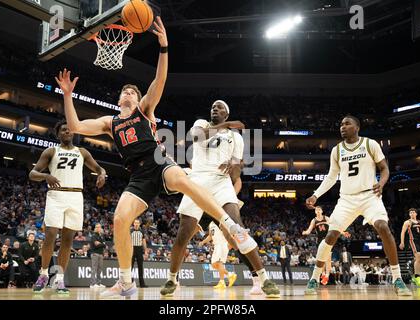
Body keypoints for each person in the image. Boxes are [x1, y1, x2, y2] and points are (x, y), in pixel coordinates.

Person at [55, 17, 253, 298]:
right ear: (119, 98)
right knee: (120, 220)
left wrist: (163, 47)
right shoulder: (109, 123)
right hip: (137, 175)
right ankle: (125, 282)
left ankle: (230, 223)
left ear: (138, 100)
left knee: (184, 180)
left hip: (158, 161)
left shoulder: (144, 110)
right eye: (125, 91)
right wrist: (67, 96)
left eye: (133, 92)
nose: (129, 92)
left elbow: (159, 80)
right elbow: (75, 127)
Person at [160, 100, 279, 298]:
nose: (215, 109)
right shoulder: (201, 124)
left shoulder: (236, 138)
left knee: (237, 228)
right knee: (183, 233)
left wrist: (235, 167)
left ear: (227, 113)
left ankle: (264, 278)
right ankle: (172, 278)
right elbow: (197, 137)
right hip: (197, 180)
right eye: (213, 107)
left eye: (220, 107)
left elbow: (236, 170)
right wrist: (226, 125)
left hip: (221, 182)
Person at [304, 115, 411, 296]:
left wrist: (382, 183)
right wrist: (315, 195)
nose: (342, 127)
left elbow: (384, 168)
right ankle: (314, 278)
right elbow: (331, 177)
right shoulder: (337, 150)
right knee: (330, 236)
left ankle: (397, 278)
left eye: (347, 124)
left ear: (357, 127)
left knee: (383, 227)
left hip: (370, 196)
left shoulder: (370, 144)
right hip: (346, 199)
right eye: (341, 124)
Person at [29, 119, 106, 294]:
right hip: (56, 195)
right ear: (58, 134)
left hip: (75, 196)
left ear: (74, 133)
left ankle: (60, 279)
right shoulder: (51, 151)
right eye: (63, 130)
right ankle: (43, 275)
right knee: (50, 235)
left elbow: (99, 168)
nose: (67, 132)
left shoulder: (82, 152)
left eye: (69, 130)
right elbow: (32, 173)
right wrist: (45, 176)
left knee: (67, 240)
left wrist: (102, 174)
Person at [302, 206, 351, 285]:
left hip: (328, 239)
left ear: (321, 211)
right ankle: (323, 274)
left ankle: (327, 275)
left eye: (319, 210)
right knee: (321, 259)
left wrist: (343, 232)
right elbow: (309, 230)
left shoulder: (326, 218)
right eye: (316, 210)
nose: (317, 211)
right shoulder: (314, 220)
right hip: (320, 240)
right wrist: (305, 232)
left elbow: (335, 225)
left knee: (328, 258)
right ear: (315, 212)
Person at [199, 221, 237, 289]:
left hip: (222, 244)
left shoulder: (220, 220)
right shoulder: (210, 223)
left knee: (219, 263)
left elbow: (230, 233)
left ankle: (222, 282)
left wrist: (230, 244)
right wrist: (203, 242)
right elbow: (211, 236)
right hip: (216, 245)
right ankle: (230, 275)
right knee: (214, 264)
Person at [399, 208, 420, 287]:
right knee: (418, 258)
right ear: (409, 214)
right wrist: (402, 242)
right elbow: (402, 232)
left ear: (416, 214)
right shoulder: (407, 222)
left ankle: (416, 276)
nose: (412, 214)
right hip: (413, 241)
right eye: (410, 213)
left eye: (413, 212)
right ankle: (417, 277)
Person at [131, 219, 148, 288]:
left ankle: (142, 284)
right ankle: (128, 282)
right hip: (132, 249)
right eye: (135, 223)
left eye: (138, 223)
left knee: (140, 267)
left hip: (139, 249)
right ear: (133, 224)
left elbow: (143, 241)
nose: (136, 224)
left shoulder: (142, 231)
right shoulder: (130, 231)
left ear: (139, 224)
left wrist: (145, 251)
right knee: (130, 267)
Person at [90, 223, 106, 289]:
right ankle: (92, 284)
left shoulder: (102, 236)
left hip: (101, 254)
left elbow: (105, 244)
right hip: (95, 253)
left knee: (99, 269)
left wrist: (101, 244)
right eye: (97, 227)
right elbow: (96, 244)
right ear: (95, 228)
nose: (98, 228)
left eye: (99, 227)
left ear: (101, 228)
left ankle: (98, 283)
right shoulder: (94, 236)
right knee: (94, 269)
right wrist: (102, 244)